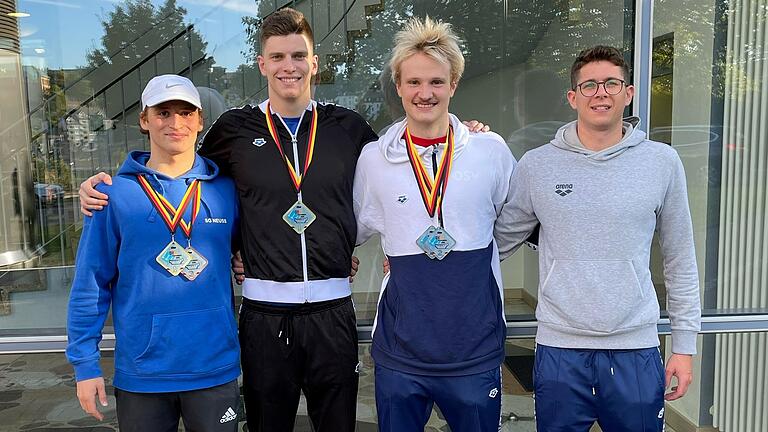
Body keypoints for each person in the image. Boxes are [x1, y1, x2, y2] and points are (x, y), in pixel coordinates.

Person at [494, 45, 702, 431]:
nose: (600, 92)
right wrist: (423, 258)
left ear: (629, 92)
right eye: (589, 85)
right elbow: (495, 244)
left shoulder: (661, 162)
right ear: (573, 97)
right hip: (560, 349)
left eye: (611, 83)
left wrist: (685, 347)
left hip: (635, 349)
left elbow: (680, 258)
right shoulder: (538, 165)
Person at [353, 17, 515, 431]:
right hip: (401, 351)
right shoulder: (375, 158)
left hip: (473, 349)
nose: (425, 94)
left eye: (437, 83)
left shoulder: (490, 152)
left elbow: (516, 222)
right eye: (414, 82)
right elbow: (353, 230)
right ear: (399, 84)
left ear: (454, 84)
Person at [66, 74, 241, 431]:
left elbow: (259, 244)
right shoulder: (112, 195)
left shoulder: (227, 190)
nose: (175, 123)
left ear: (199, 120)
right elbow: (91, 284)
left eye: (185, 112)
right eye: (163, 113)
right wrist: (85, 364)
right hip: (143, 373)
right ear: (144, 120)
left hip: (214, 367)